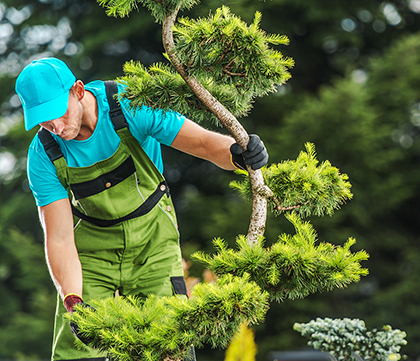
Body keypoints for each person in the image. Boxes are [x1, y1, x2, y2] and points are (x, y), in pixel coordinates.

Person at [15, 57, 268, 361]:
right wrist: (73, 300)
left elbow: (201, 144)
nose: (54, 126)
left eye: (58, 113)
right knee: (78, 351)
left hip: (153, 245)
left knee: (170, 344)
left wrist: (237, 154)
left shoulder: (130, 104)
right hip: (93, 257)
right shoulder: (43, 154)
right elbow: (59, 238)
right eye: (43, 121)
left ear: (78, 91)